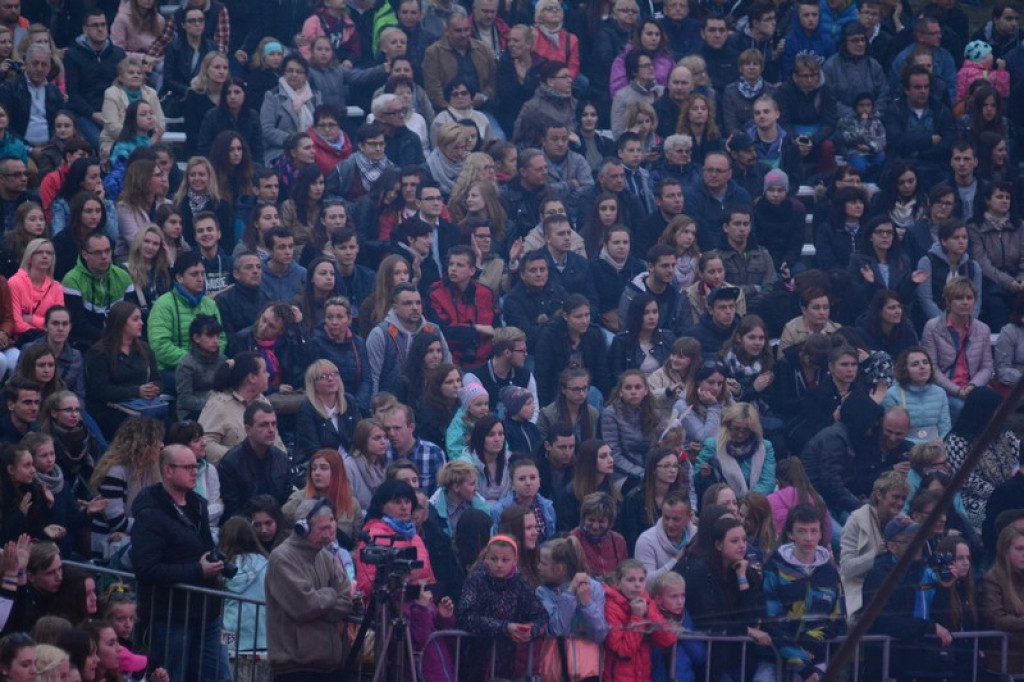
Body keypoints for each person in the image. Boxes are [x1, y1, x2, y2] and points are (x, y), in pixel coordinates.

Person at [129, 443, 225, 682]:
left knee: (218, 676)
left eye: (196, 466)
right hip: (171, 616)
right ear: (168, 471)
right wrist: (197, 570)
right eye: (188, 467)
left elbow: (203, 548)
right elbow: (146, 568)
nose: (195, 472)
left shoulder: (198, 505)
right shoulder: (150, 514)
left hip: (207, 611)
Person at [265, 497, 353, 681]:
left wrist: (322, 604)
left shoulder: (326, 557)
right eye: (322, 529)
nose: (328, 535)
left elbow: (346, 598)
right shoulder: (282, 558)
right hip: (295, 667)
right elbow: (305, 605)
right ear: (302, 528)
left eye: (330, 528)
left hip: (328, 665)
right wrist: (330, 594)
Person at [863, 517, 956, 679]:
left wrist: (945, 588)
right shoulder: (878, 576)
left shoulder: (923, 570)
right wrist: (928, 627)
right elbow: (883, 621)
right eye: (909, 540)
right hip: (890, 664)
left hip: (924, 661)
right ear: (892, 546)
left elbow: (942, 617)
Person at [763, 504, 846, 680]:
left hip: (818, 656)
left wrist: (811, 642)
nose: (808, 538)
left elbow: (839, 619)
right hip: (775, 655)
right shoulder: (774, 567)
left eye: (813, 531)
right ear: (790, 534)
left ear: (820, 534)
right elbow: (771, 620)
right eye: (801, 531)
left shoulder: (830, 571)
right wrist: (801, 660)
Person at [457, 533, 546, 679]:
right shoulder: (476, 579)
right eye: (494, 559)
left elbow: (540, 616)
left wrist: (530, 630)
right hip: (475, 657)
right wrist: (505, 628)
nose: (499, 564)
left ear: (515, 561)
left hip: (508, 661)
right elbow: (465, 616)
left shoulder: (520, 582)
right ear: (486, 559)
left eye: (505, 560)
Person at [921, 277, 993, 419]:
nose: (965, 302)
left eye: (969, 298)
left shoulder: (983, 329)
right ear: (948, 302)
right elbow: (932, 368)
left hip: (973, 388)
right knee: (962, 409)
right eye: (959, 298)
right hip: (943, 389)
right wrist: (957, 391)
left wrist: (972, 386)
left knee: (996, 408)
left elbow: (987, 367)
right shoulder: (932, 327)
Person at [217, 402, 291, 520]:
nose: (271, 430)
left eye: (273, 424)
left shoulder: (282, 459)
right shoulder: (230, 463)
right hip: (245, 529)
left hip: (278, 526)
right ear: (248, 429)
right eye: (264, 425)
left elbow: (286, 501)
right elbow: (231, 511)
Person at [295, 360, 360, 466]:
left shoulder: (349, 401)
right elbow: (313, 449)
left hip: (352, 462)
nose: (331, 379)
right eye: (323, 376)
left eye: (335, 374)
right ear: (313, 385)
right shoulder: (307, 409)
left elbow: (359, 436)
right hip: (324, 465)